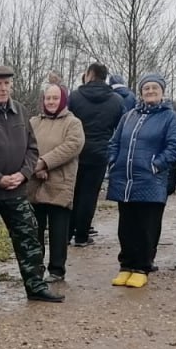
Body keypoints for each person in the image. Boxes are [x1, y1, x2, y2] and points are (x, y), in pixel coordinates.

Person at [0, 65, 61, 304]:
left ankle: (35, 284)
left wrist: (24, 173)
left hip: (16, 189)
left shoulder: (21, 111)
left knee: (28, 237)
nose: (3, 88)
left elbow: (32, 148)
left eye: (7, 83)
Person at [106, 72, 176, 289]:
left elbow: (175, 146)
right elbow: (114, 142)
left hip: (150, 181)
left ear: (162, 92)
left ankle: (142, 267)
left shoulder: (170, 117)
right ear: (140, 92)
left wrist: (155, 165)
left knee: (146, 227)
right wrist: (113, 161)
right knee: (126, 226)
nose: (150, 91)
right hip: (125, 180)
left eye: (154, 88)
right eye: (146, 88)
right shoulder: (128, 116)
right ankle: (126, 266)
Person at [28, 76, 85, 284]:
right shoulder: (34, 122)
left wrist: (45, 162)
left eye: (55, 98)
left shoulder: (73, 123)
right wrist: (36, 167)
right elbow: (27, 146)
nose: (51, 102)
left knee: (58, 230)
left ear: (63, 100)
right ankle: (35, 266)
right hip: (35, 182)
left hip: (60, 182)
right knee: (35, 229)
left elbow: (71, 147)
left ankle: (57, 269)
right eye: (48, 98)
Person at [68, 62, 124, 247]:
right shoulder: (116, 100)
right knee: (89, 195)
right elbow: (120, 128)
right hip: (101, 152)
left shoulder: (75, 97)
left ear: (90, 74)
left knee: (72, 193)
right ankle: (82, 236)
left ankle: (67, 233)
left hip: (76, 151)